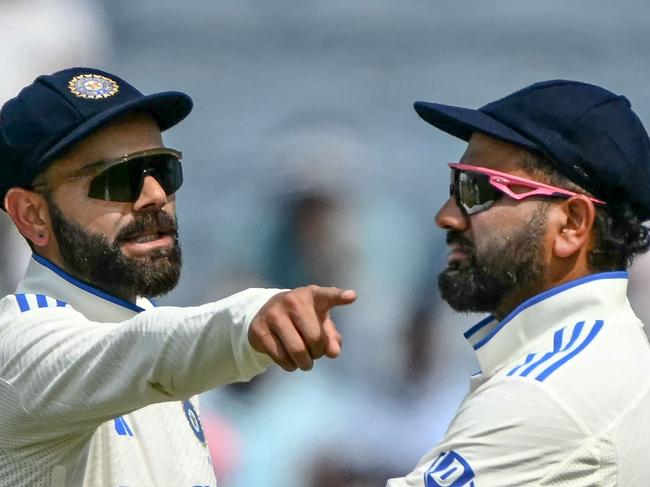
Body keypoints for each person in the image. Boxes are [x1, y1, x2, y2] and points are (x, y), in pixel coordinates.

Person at [0, 67, 356, 487]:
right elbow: (148, 348)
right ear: (32, 215)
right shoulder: (19, 345)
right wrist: (251, 316)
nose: (154, 196)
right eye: (117, 179)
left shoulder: (151, 335)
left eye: (162, 170)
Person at [388, 80, 650, 486]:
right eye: (454, 185)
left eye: (476, 190)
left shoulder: (548, 393)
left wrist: (249, 332)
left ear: (572, 224)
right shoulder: (609, 352)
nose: (447, 215)